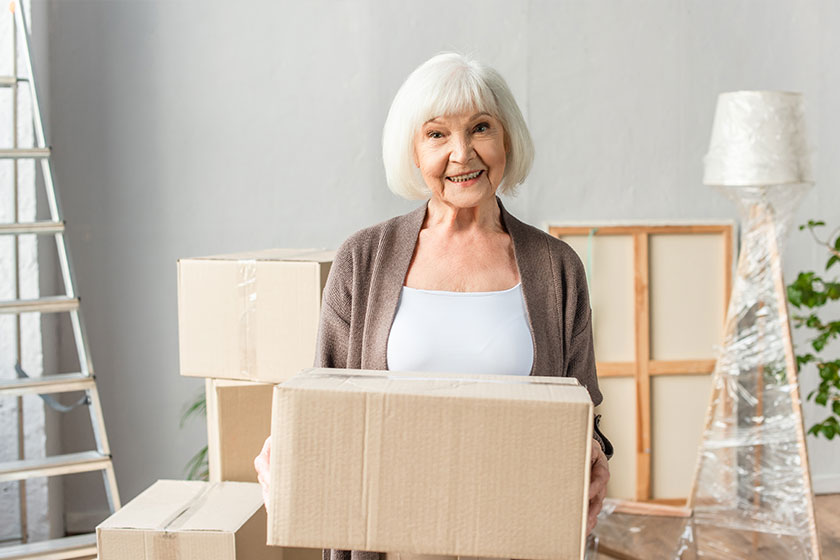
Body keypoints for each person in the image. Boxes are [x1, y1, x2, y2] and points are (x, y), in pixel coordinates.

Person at [255, 52, 612, 560]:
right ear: (413, 151)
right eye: (437, 134)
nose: (463, 153)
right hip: (389, 544)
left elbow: (582, 413)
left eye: (481, 128)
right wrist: (289, 457)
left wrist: (596, 453)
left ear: (507, 138)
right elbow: (325, 404)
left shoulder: (557, 269)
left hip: (517, 539)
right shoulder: (363, 259)